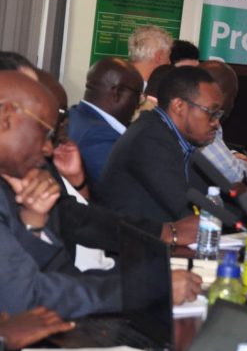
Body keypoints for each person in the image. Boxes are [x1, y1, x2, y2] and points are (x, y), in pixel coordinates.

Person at [0, 71, 200, 318]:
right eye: (45, 132)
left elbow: (56, 274)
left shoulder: (21, 174)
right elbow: (27, 298)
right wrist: (147, 288)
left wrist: (33, 224)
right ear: (4, 117)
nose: (49, 147)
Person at [100, 66, 223, 223]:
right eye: (211, 112)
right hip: (132, 244)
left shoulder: (178, 141)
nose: (216, 123)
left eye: (219, 114)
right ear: (179, 106)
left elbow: (210, 196)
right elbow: (184, 208)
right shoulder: (149, 139)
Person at [66, 57, 144, 190]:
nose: (139, 105)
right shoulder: (100, 137)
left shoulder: (74, 114)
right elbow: (125, 192)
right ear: (117, 93)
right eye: (138, 96)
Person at [198, 60, 247, 183]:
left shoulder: (197, 113)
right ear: (221, 94)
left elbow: (215, 156)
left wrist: (231, 155)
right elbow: (233, 173)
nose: (232, 104)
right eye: (233, 96)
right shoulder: (203, 122)